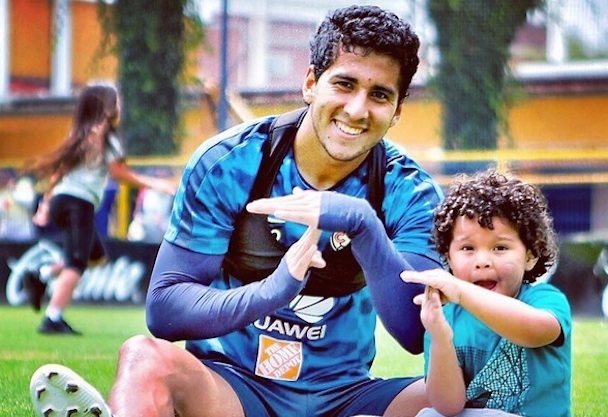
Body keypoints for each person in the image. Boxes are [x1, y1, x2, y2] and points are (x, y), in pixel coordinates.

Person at [29, 5, 444, 417]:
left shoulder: (409, 189)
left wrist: (363, 225)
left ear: (397, 110)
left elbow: (414, 331)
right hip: (232, 389)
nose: (356, 109)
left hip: (346, 397)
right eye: (344, 84)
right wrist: (274, 289)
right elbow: (165, 309)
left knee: (459, 392)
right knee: (144, 357)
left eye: (379, 95)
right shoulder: (229, 162)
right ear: (310, 83)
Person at [400, 170, 571, 417]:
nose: (482, 261)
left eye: (500, 247)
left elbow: (536, 331)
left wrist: (461, 290)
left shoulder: (544, 299)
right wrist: (440, 337)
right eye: (467, 248)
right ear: (448, 258)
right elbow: (448, 406)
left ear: (530, 256)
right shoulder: (444, 318)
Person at [22, 82, 176, 335]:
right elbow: (119, 173)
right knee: (76, 263)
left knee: (95, 256)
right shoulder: (106, 139)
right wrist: (156, 183)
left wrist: (47, 205)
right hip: (78, 203)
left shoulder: (80, 134)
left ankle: (41, 274)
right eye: (117, 101)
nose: (120, 106)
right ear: (107, 108)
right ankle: (52, 318)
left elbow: (59, 172)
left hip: (63, 201)